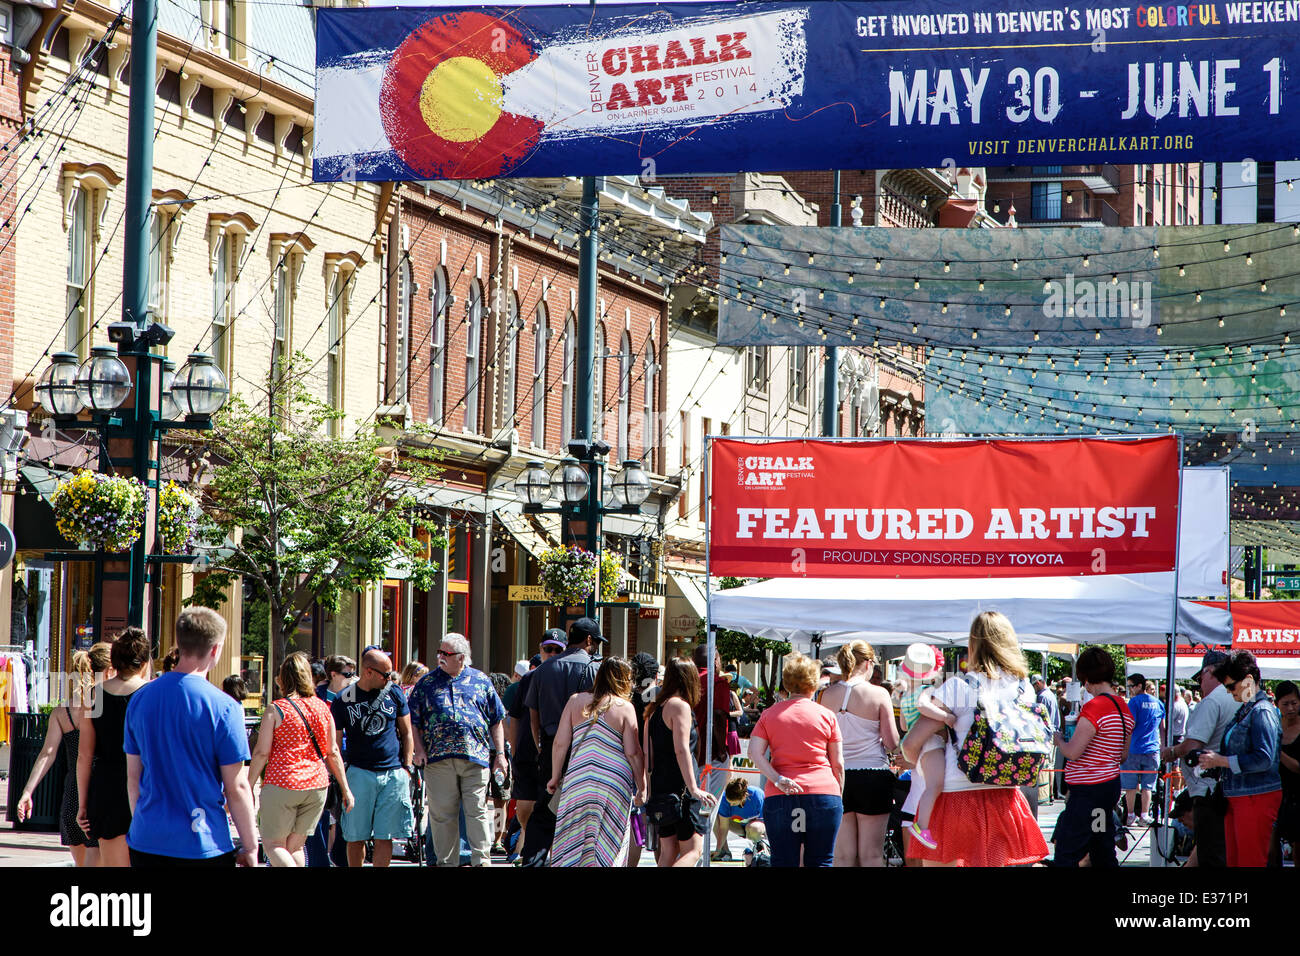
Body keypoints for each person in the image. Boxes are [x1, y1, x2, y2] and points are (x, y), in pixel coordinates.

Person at [902, 611, 1050, 867]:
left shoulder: (960, 687)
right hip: (1006, 796)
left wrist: (918, 761)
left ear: (974, 644)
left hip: (957, 798)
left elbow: (910, 743)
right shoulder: (1025, 689)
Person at [122, 607, 258, 866]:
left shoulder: (140, 700)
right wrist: (250, 846)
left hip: (147, 839)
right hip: (204, 841)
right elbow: (236, 787)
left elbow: (133, 779)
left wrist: (142, 824)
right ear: (215, 649)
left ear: (179, 643)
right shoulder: (225, 707)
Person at [407, 633, 507, 867]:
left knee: (477, 812)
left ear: (461, 658)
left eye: (446, 653)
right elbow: (414, 721)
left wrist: (500, 754)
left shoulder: (481, 681)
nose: (440, 657)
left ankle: (481, 861)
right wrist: (418, 750)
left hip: (476, 759)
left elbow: (496, 719)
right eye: (439, 652)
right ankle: (446, 863)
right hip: (438, 760)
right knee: (443, 816)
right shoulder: (427, 683)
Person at [248, 652, 354, 866]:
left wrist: (247, 785)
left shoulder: (276, 709)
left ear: (282, 678)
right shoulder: (323, 708)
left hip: (282, 783)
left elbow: (261, 752)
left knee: (274, 845)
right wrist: (345, 789)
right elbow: (332, 751)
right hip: (316, 786)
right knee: (295, 847)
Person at [15, 645, 109, 866]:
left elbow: (47, 753)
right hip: (100, 793)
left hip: (72, 796)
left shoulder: (62, 712)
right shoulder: (105, 709)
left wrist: (27, 792)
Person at [748, 652, 844, 867]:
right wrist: (839, 794)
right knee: (821, 860)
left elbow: (754, 752)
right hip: (823, 792)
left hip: (781, 793)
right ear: (814, 682)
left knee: (783, 861)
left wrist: (776, 777)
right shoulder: (827, 715)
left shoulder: (769, 714)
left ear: (787, 682)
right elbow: (838, 763)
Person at [547, 656, 645, 867]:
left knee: (572, 840)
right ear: (623, 680)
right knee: (608, 844)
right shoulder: (625, 708)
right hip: (614, 784)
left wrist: (555, 776)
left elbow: (560, 743)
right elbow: (633, 752)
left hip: (578, 780)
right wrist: (642, 786)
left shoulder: (575, 701)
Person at [521, 618, 603, 865]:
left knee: (546, 807)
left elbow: (533, 716)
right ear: (589, 640)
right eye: (596, 642)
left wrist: (541, 747)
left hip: (550, 743)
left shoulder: (543, 670)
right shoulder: (593, 669)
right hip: (584, 745)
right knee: (581, 807)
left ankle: (534, 859)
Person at [1196, 650, 1283, 867]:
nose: (1229, 692)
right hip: (1242, 796)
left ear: (1249, 680)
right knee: (1236, 861)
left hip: (1255, 797)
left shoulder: (1261, 711)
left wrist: (1221, 761)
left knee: (1249, 861)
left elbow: (1264, 758)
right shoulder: (1248, 709)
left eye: (1231, 686)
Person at [1050, 646, 1134, 867]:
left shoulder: (1094, 707)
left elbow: (1073, 752)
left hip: (1087, 791)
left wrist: (1059, 739)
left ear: (1086, 678)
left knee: (1068, 850)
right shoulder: (1123, 708)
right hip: (1109, 787)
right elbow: (1123, 756)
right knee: (1101, 845)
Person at [331, 648, 414, 867]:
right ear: (368, 672)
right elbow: (336, 745)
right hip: (359, 772)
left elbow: (407, 733)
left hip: (392, 771)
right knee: (355, 835)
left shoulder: (394, 692)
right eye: (385, 674)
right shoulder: (343, 700)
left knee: (385, 836)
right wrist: (341, 778)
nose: (389, 678)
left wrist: (407, 766)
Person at [816, 640, 897, 867]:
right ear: (869, 663)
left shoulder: (826, 695)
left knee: (843, 856)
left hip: (838, 776)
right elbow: (891, 742)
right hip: (873, 775)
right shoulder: (879, 694)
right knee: (871, 855)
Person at [77, 627, 150, 867]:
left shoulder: (94, 695)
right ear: (144, 661)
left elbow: (85, 755)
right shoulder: (152, 694)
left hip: (106, 786)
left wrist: (83, 804)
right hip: (146, 783)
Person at [1159, 650, 1237, 868]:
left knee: (1212, 853)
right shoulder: (1236, 698)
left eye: (1201, 677)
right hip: (1228, 786)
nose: (1200, 684)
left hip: (1209, 789)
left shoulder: (1212, 701)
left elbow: (1193, 745)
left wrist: (1172, 752)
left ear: (1210, 671)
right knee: (1219, 849)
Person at [644, 658, 717, 866]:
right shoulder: (679, 706)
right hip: (681, 789)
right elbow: (681, 749)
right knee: (693, 850)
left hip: (662, 787)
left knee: (669, 850)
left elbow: (648, 754)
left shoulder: (655, 708)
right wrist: (694, 788)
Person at [510, 641, 560, 856]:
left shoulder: (563, 676)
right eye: (548, 649)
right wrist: (513, 751)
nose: (552, 654)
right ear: (540, 650)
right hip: (527, 754)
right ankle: (524, 842)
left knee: (550, 807)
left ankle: (543, 852)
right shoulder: (529, 678)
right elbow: (515, 717)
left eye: (558, 650)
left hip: (553, 753)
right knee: (524, 808)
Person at [627, 651, 661, 867]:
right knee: (657, 825)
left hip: (630, 764)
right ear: (655, 675)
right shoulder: (658, 699)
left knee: (635, 822)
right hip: (655, 768)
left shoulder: (625, 699)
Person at [1122, 672, 1165, 826]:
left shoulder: (1134, 703)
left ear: (1139, 685)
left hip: (1134, 748)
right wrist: (1163, 747)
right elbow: (1163, 727)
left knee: (1130, 785)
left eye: (1131, 686)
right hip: (1153, 749)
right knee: (1148, 785)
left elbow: (1129, 725)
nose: (1130, 689)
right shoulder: (1159, 703)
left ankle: (1131, 814)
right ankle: (1144, 815)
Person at [1270, 681, 1299, 866]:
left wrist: (1278, 752)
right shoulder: (1274, 726)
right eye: (1285, 704)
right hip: (1275, 794)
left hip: (1297, 796)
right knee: (1271, 848)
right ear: (1277, 704)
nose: (1290, 708)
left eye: (1294, 703)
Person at [716, 777, 766, 854]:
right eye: (729, 802)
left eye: (734, 803)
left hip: (753, 828)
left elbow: (767, 823)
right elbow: (723, 827)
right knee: (714, 820)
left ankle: (759, 846)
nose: (731, 805)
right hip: (738, 827)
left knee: (755, 828)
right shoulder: (724, 799)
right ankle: (723, 851)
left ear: (743, 797)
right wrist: (718, 849)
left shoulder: (757, 795)